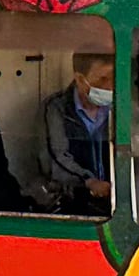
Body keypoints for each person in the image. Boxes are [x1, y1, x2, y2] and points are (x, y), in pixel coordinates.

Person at [41, 50, 115, 214]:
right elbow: (56, 156)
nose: (110, 86)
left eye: (113, 78)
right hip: (73, 200)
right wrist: (89, 181)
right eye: (102, 79)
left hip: (117, 201)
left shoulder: (120, 106)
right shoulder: (56, 108)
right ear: (80, 79)